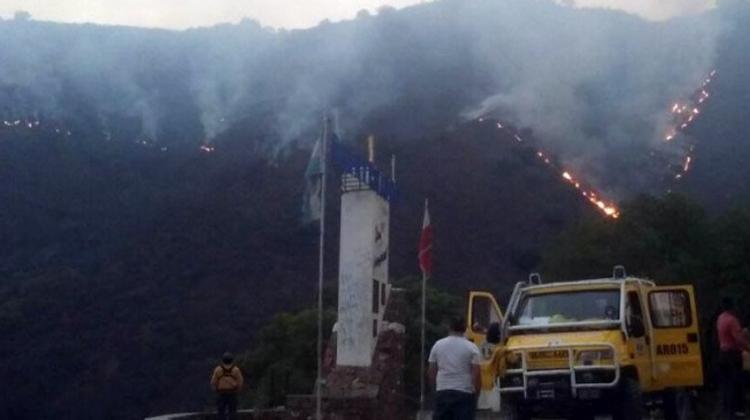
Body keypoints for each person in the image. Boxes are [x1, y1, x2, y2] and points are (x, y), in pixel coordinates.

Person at [428, 317, 481, 420]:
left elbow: (431, 372)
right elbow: (477, 375)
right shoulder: (472, 348)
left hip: (443, 391)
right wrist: (476, 395)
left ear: (449, 327)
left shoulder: (438, 345)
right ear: (465, 328)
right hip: (464, 393)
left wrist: (435, 391)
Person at [717, 298, 750, 419]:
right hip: (732, 355)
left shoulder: (720, 318)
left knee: (726, 384)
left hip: (722, 354)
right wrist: (748, 348)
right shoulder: (732, 320)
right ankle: (736, 411)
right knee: (735, 382)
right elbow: (739, 339)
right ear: (732, 307)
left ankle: (725, 411)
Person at [210, 352, 244, 420]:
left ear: (223, 360)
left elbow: (213, 382)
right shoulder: (236, 369)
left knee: (221, 413)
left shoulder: (218, 369)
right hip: (232, 393)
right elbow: (240, 381)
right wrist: (237, 390)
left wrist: (216, 390)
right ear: (232, 360)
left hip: (221, 393)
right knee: (233, 412)